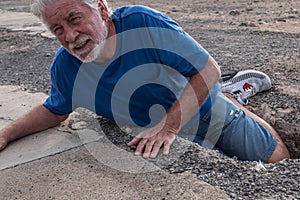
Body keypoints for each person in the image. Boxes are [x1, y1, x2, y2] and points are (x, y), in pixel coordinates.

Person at [0, 0, 290, 163]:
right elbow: (56, 108)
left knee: (277, 159)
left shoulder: (142, 23)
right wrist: (7, 133)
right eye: (58, 29)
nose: (70, 36)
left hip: (204, 106)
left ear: (100, 9)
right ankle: (230, 96)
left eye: (75, 19)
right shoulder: (66, 69)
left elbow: (207, 70)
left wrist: (169, 124)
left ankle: (230, 99)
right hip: (164, 135)